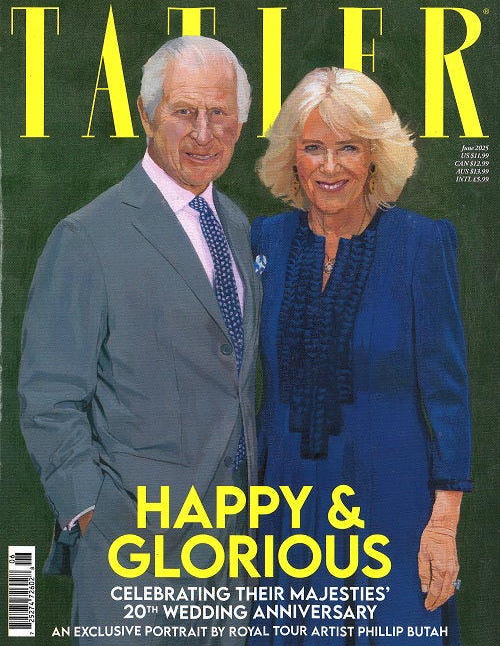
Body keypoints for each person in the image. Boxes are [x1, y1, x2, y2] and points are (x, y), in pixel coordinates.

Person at [18, 36, 261, 644]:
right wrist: (94, 515)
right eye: (184, 111)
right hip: (131, 555)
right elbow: (48, 399)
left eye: (220, 112)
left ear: (240, 123)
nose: (204, 132)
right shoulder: (86, 237)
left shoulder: (236, 225)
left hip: (234, 556)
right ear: (146, 115)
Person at [250, 67, 472, 644]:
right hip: (285, 514)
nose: (330, 167)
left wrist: (443, 528)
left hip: (394, 510)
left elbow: (448, 396)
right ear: (291, 158)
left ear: (375, 156)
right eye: (313, 148)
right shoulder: (263, 242)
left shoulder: (421, 245)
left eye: (348, 147)